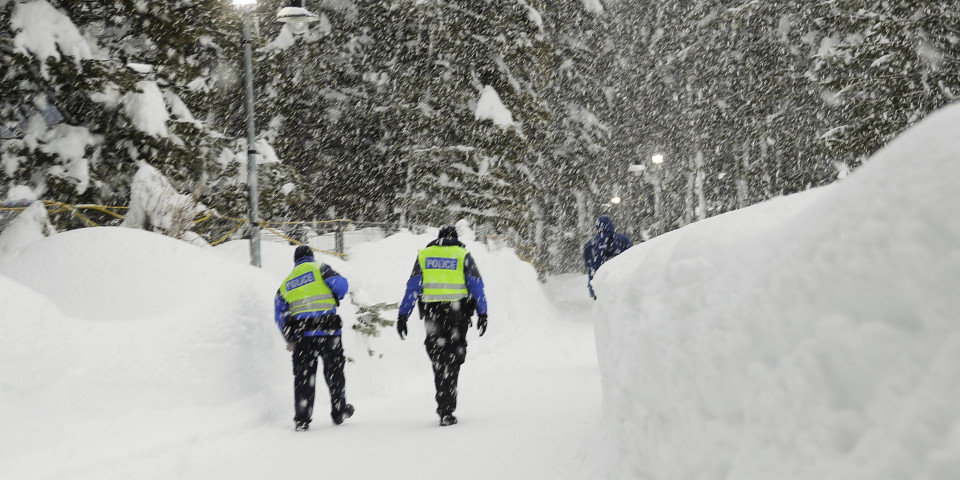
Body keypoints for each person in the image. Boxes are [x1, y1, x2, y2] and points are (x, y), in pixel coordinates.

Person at [396, 225, 488, 426]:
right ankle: (448, 406)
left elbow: (412, 287)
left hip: (432, 315)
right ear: (455, 238)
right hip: (458, 316)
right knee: (454, 358)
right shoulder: (463, 254)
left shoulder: (424, 256)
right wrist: (483, 313)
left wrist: (403, 315)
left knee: (438, 358)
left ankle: (443, 403)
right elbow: (476, 286)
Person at [274, 245, 354, 431]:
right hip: (328, 334)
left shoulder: (286, 283)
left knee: (303, 378)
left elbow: (280, 316)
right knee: (334, 373)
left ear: (295, 261)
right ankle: (339, 411)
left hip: (303, 338)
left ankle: (302, 419)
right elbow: (342, 287)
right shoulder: (321, 269)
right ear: (311, 257)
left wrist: (290, 340)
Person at [583, 215, 632, 299]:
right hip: (620, 282)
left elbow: (588, 265)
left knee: (601, 308)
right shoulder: (622, 239)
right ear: (611, 225)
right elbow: (633, 257)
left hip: (598, 284)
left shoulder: (590, 244)